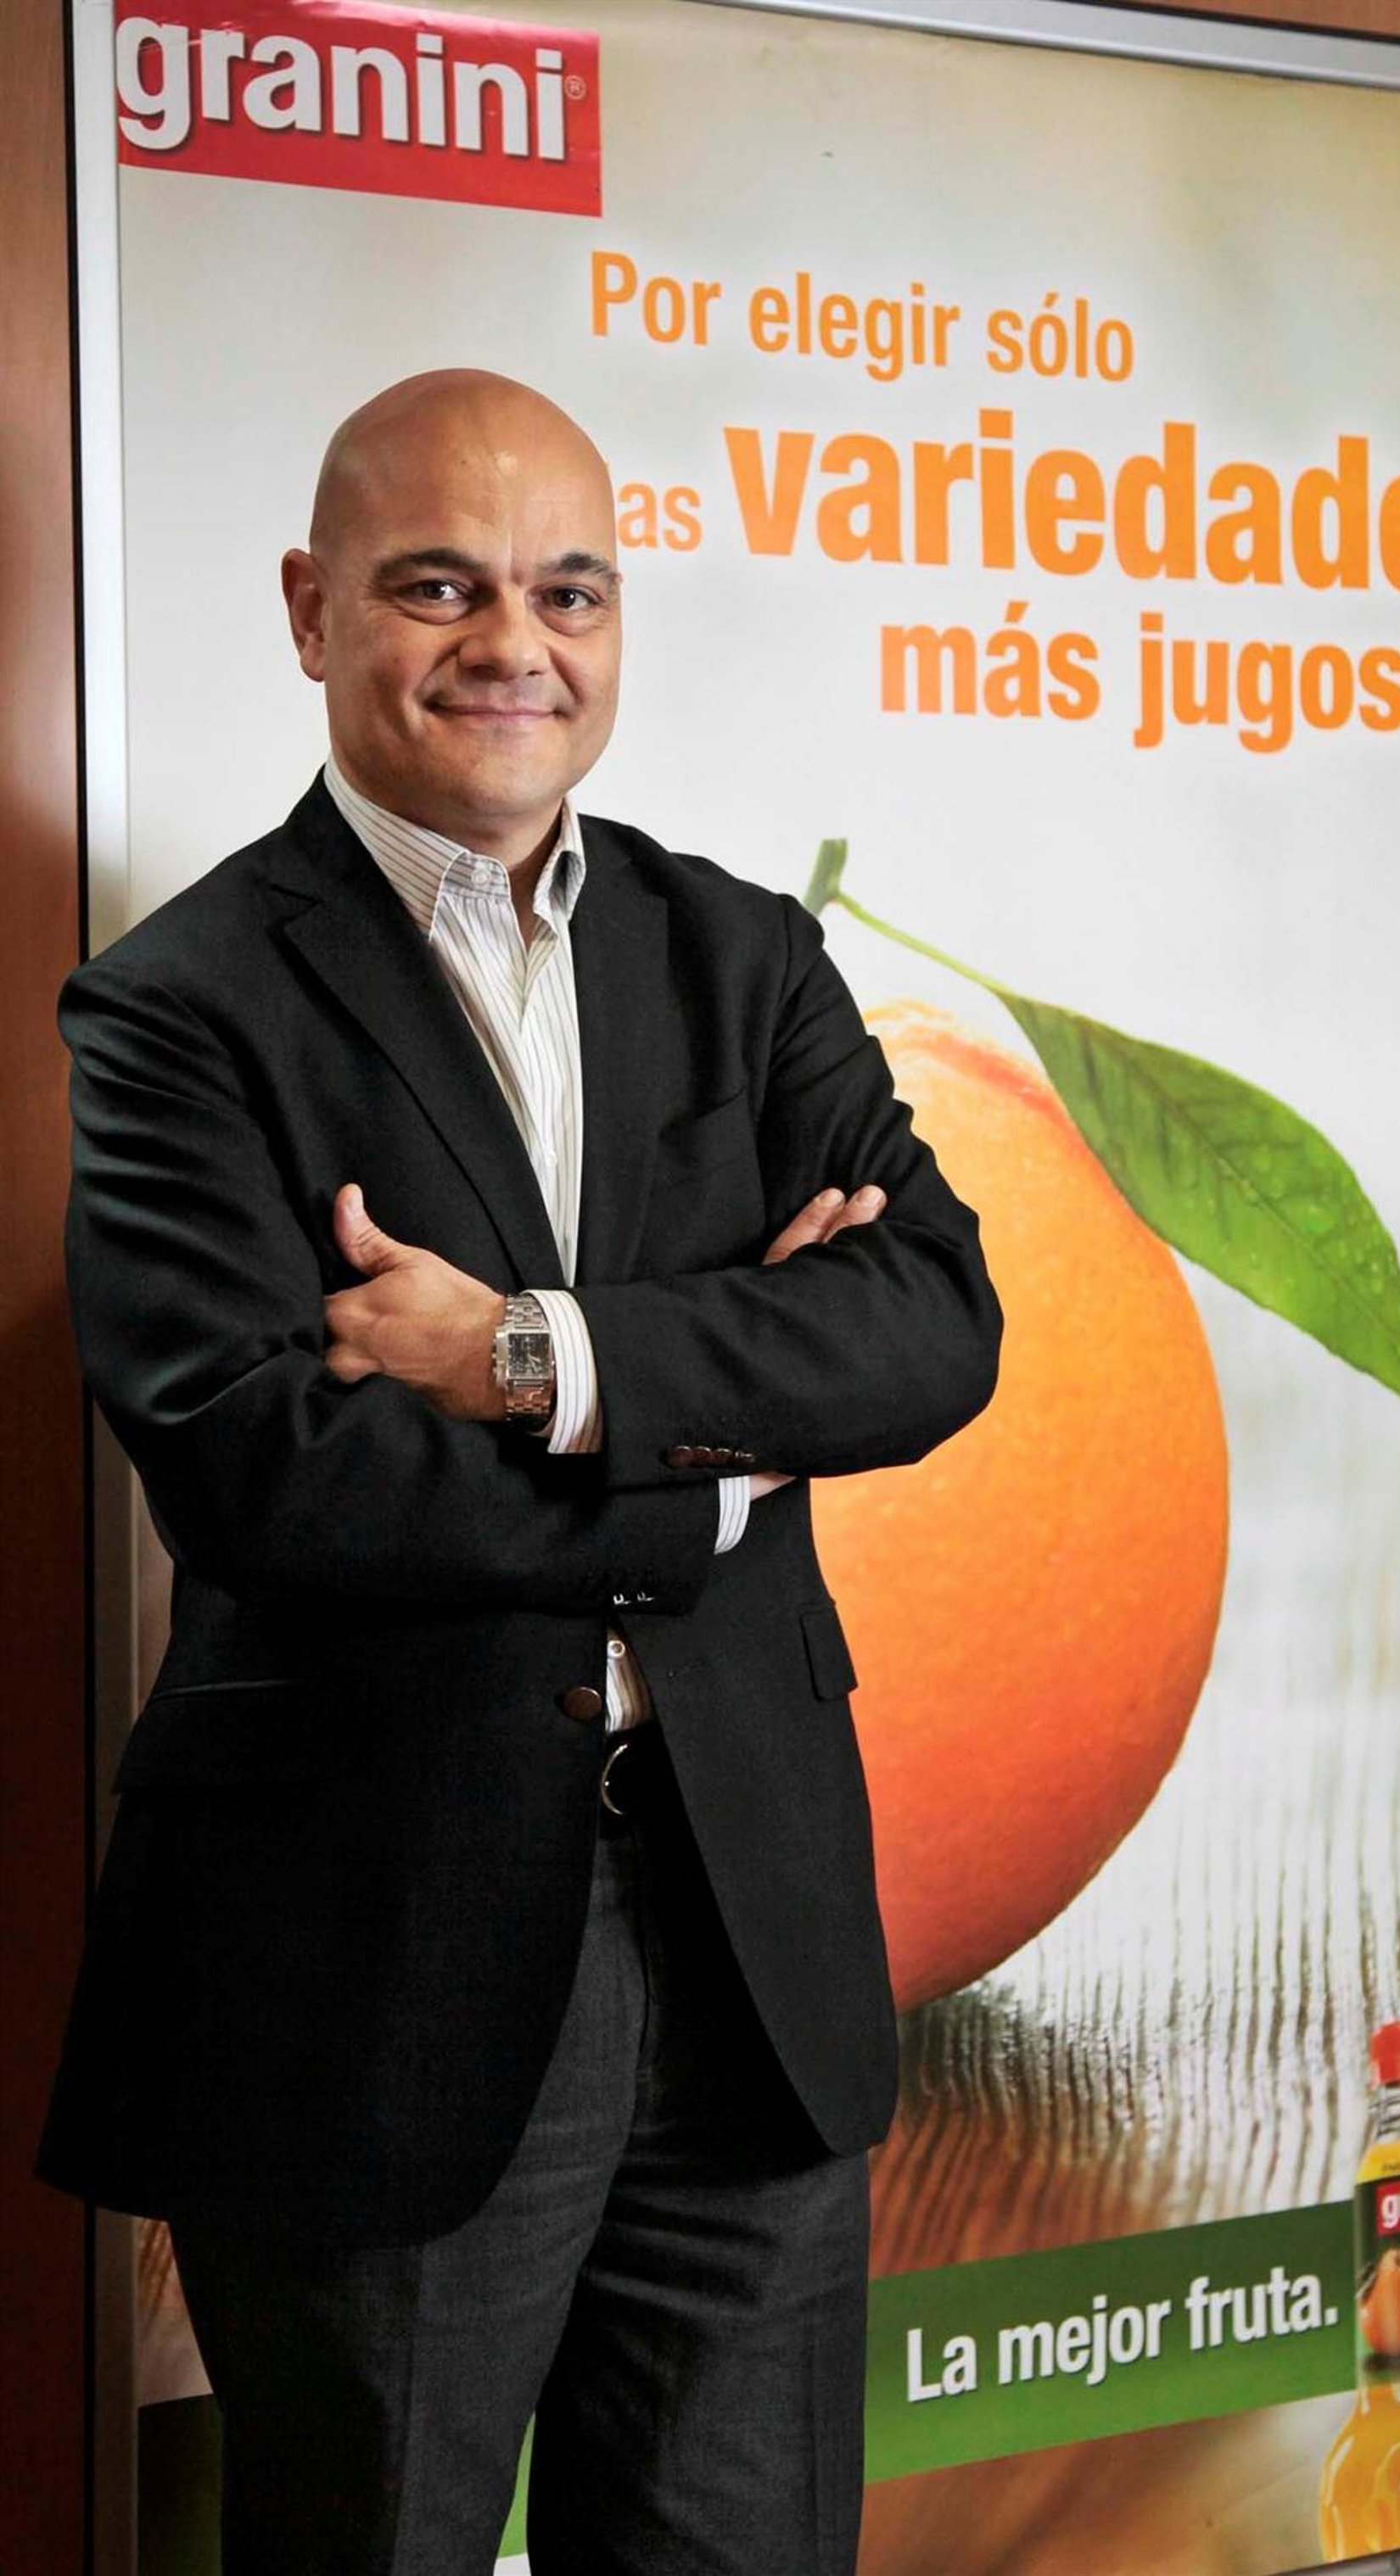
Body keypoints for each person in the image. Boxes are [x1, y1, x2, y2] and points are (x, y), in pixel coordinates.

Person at [38, 370, 1001, 2575]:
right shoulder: (177, 1009)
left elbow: (931, 1326)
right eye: (437, 587)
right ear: (311, 610)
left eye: (569, 591)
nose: (514, 645)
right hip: (374, 1964)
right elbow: (270, 1472)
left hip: (750, 1929)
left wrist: (527, 1356)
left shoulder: (742, 954)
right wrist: (725, 1458)